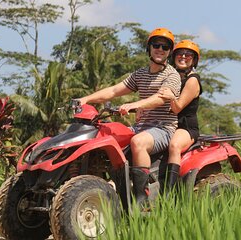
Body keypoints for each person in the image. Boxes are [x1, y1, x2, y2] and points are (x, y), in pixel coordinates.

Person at [77, 28, 181, 205]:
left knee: (138, 142)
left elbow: (160, 98)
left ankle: (142, 199)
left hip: (164, 128)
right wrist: (85, 99)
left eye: (165, 47)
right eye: (156, 45)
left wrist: (135, 105)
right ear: (149, 48)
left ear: (169, 52)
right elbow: (114, 90)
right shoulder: (140, 74)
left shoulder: (172, 75)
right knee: (103, 137)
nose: (160, 49)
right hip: (142, 127)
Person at [159, 40, 202, 192]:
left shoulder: (192, 80)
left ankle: (168, 194)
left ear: (194, 59)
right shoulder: (170, 76)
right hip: (165, 123)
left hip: (185, 126)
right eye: (179, 53)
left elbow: (177, 108)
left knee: (174, 145)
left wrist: (171, 97)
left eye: (188, 54)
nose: (183, 56)